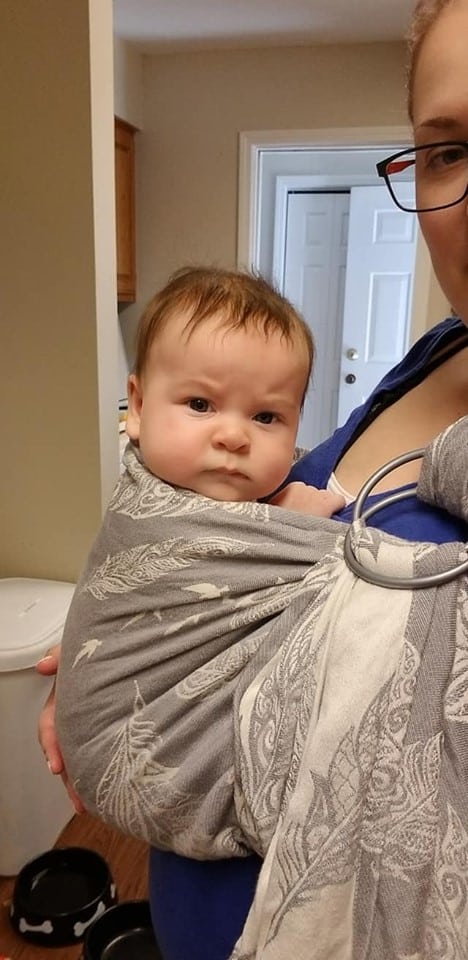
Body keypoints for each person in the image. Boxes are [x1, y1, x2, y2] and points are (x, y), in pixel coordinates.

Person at [38, 0, 468, 956]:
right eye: (447, 149)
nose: (235, 437)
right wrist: (123, 646)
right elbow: (196, 571)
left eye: (269, 418)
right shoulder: (431, 354)